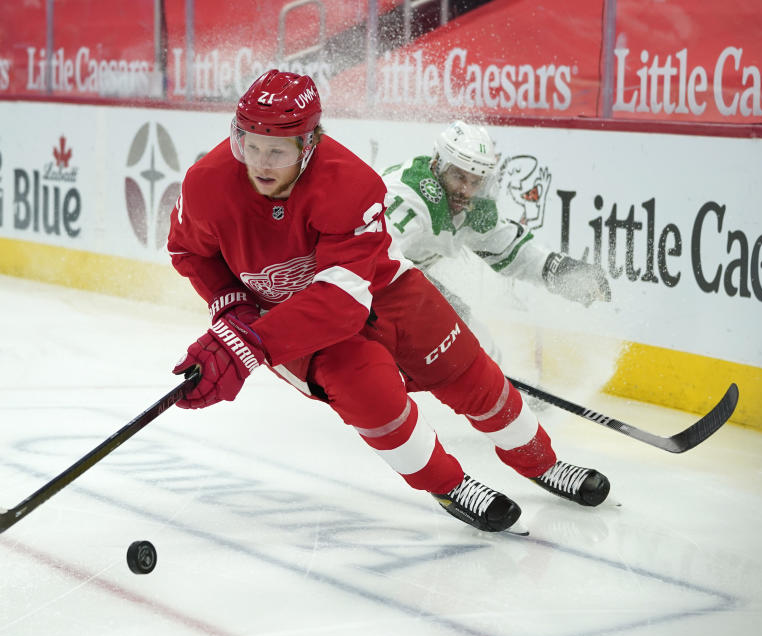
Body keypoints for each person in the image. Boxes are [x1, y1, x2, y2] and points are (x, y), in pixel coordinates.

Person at [166, 70, 609, 535]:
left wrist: (248, 343)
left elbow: (342, 303)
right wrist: (235, 309)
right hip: (289, 321)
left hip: (382, 288)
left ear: (309, 143)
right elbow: (189, 251)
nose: (259, 163)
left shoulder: (350, 182)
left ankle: (541, 462)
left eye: (276, 150)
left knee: (470, 372)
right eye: (248, 145)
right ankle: (449, 484)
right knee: (374, 397)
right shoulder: (207, 184)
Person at [381, 121, 611, 362]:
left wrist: (558, 270)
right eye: (458, 176)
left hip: (390, 276)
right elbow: (373, 257)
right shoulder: (410, 195)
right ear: (437, 164)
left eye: (475, 181)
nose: (465, 190)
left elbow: (508, 248)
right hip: (364, 279)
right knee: (462, 329)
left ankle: (506, 392)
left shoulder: (467, 206)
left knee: (472, 335)